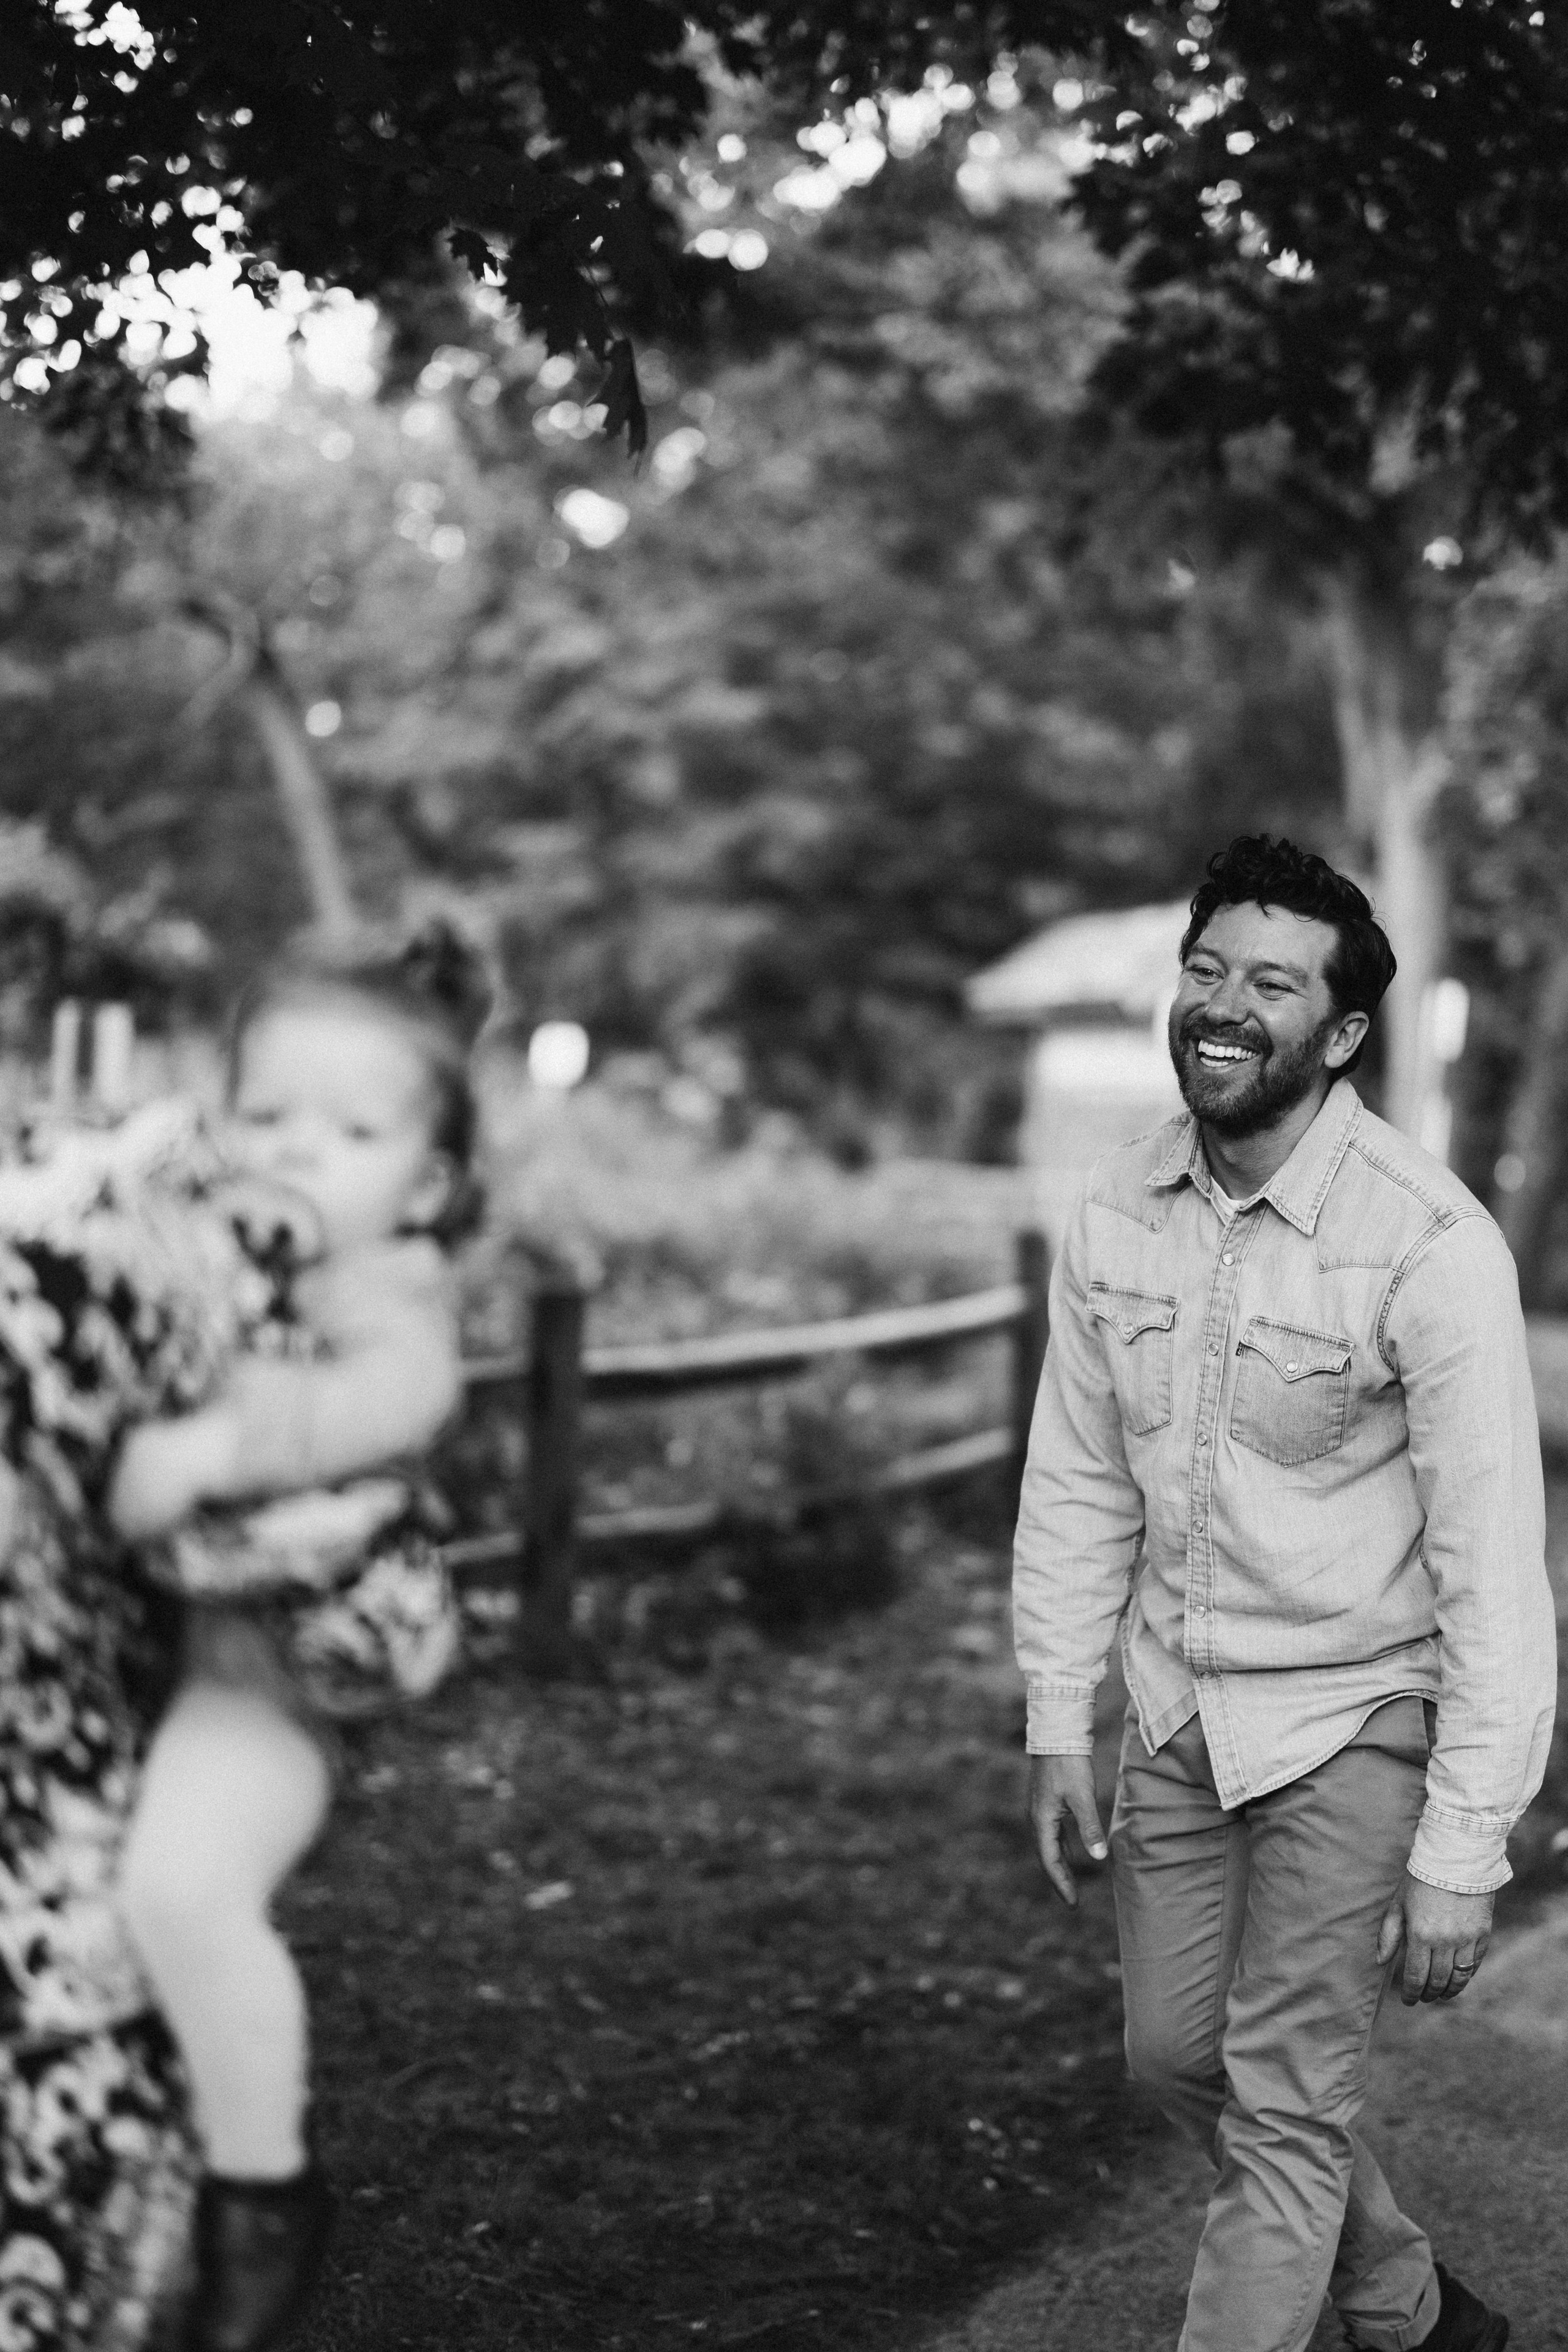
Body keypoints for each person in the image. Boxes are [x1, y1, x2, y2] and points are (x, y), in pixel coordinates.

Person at [1015, 835, 1555, 2352]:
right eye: (1203, 970)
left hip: (1356, 1707)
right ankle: (1403, 2306)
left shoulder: (1427, 1244)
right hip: (1180, 1704)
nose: (1222, 1005)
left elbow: (1491, 1564)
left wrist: (1462, 1846)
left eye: (1269, 981)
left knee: (1281, 2110)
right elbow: (1075, 1479)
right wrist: (1062, 1714)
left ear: (1338, 1033)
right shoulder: (1116, 1208)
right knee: (1171, 2058)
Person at [107, 923, 489, 2352]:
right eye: (263, 1116)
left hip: (262, 1686)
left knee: (182, 1889)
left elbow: (386, 1402)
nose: (296, 1153)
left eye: (349, 1130)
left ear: (426, 1185)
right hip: (136, 1654)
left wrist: (214, 1442)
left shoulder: (387, 1289)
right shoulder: (199, 1236)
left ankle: (260, 2192)